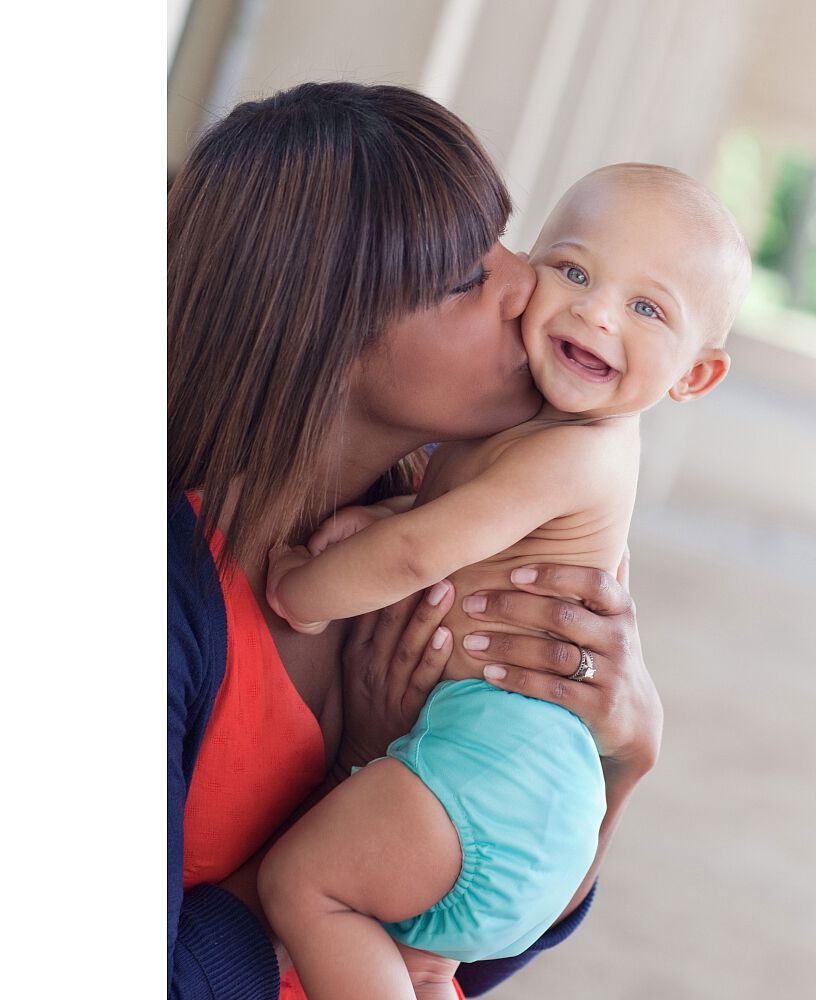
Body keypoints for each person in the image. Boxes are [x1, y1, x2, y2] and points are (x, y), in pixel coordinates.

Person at [168, 82, 664, 1000]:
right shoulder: (168, 602)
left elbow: (472, 944)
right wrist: (358, 777)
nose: (531, 285)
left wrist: (623, 761)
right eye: (467, 277)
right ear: (323, 337)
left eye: (509, 240)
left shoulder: (453, 539)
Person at [259, 163, 751, 999]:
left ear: (694, 376)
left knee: (305, 888)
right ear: (530, 269)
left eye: (647, 308)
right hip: (518, 792)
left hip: (491, 779)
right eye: (575, 271)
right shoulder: (536, 432)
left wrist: (302, 589)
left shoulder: (578, 451)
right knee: (414, 965)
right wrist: (384, 515)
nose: (597, 312)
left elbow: (419, 556)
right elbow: (458, 526)